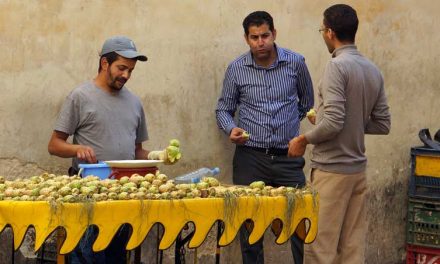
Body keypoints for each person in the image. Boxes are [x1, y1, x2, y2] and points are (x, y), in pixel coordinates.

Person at [288, 4, 391, 264]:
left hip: (332, 171)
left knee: (320, 248)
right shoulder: (371, 69)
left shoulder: (337, 66)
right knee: (352, 249)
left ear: (330, 32)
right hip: (357, 170)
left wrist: (304, 138)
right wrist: (337, 121)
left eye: (323, 29)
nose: (323, 34)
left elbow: (334, 122)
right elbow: (382, 123)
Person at [215, 11, 314, 264]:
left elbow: (307, 103)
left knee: (299, 224)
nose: (261, 42)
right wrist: (231, 129)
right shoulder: (237, 69)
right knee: (250, 224)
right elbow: (223, 109)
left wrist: (288, 125)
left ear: (274, 34)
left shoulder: (295, 63)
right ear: (246, 39)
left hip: (288, 158)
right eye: (254, 37)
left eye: (265, 36)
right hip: (250, 158)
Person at [48, 36, 149, 264]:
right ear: (105, 63)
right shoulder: (80, 96)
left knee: (115, 258)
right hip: (87, 197)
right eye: (121, 68)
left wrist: (156, 157)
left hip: (124, 196)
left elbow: (137, 151)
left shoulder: (134, 102)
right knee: (85, 257)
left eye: (130, 71)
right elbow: (54, 144)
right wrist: (77, 149)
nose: (126, 75)